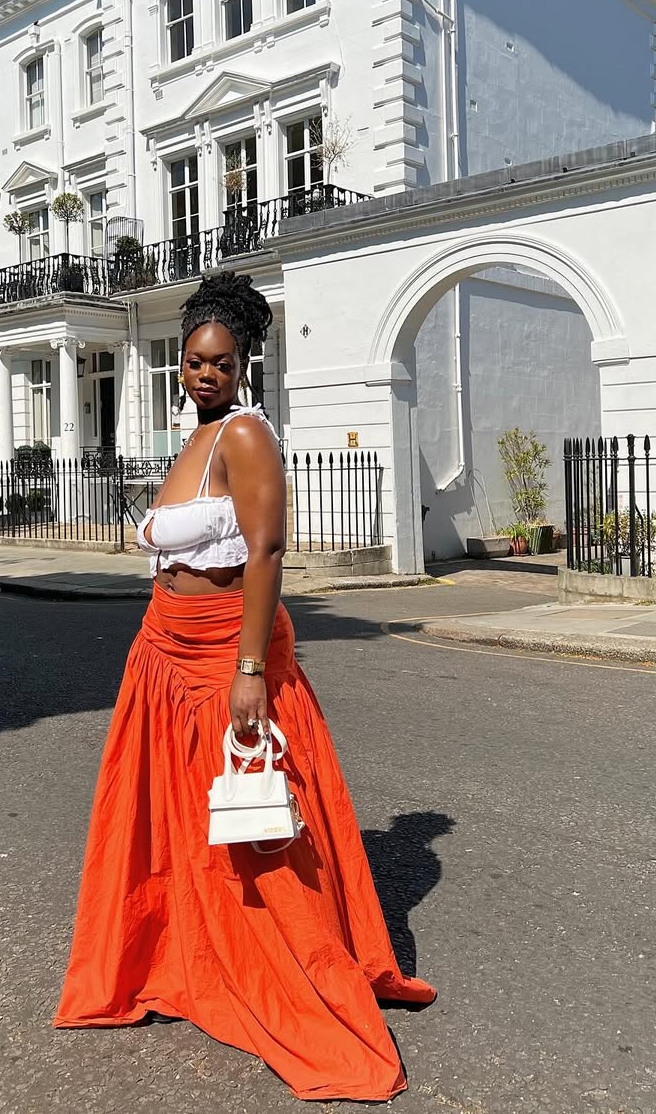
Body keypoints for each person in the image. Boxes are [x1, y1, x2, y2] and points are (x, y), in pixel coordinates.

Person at [54, 272, 435, 1102]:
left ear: (244, 364)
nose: (204, 374)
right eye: (193, 360)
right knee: (177, 827)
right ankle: (179, 951)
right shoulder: (197, 436)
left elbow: (264, 554)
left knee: (256, 825)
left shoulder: (248, 437)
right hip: (164, 649)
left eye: (220, 363)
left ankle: (283, 965)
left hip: (223, 652)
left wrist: (251, 671)